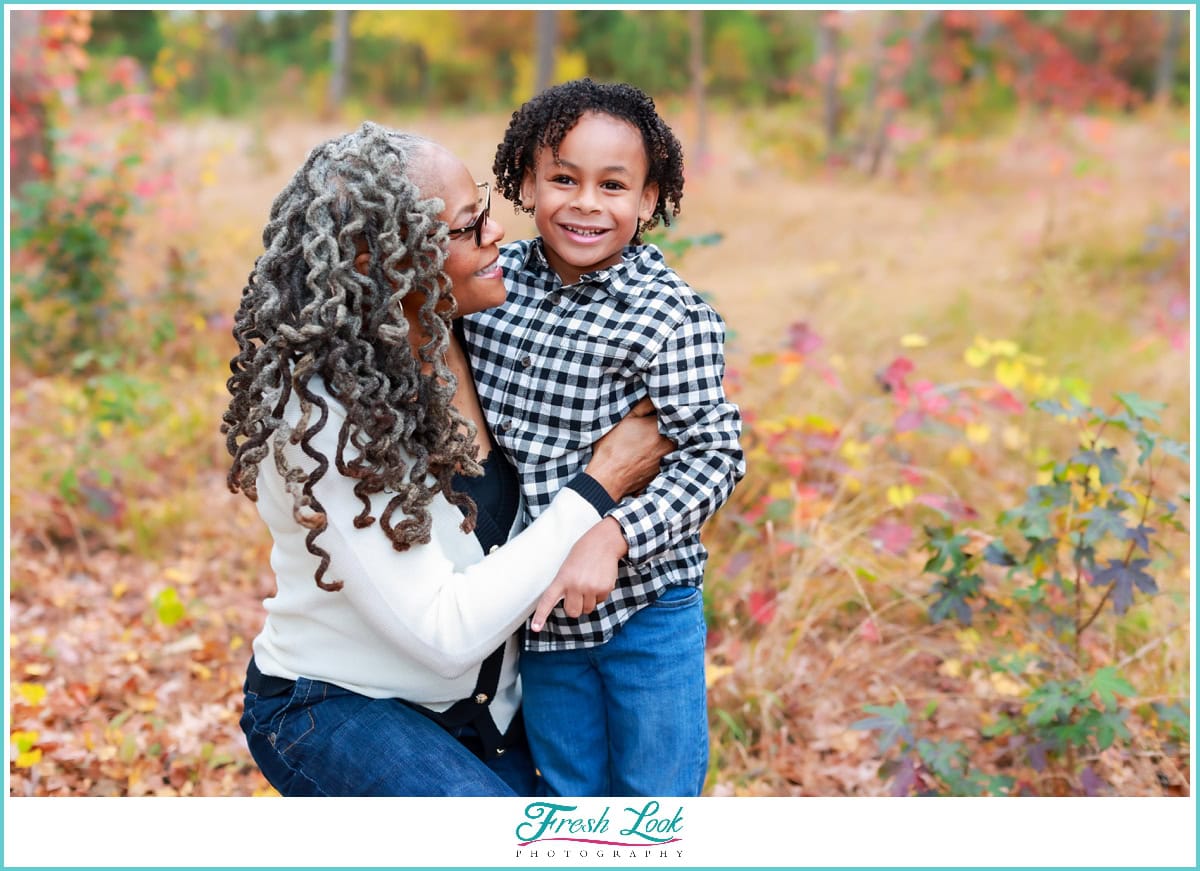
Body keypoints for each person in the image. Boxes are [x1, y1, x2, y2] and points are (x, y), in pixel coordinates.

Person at [221, 121, 673, 797]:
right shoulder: (324, 413)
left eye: (486, 212)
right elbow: (443, 634)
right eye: (468, 227)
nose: (497, 235)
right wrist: (599, 484)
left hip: (490, 711)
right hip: (338, 705)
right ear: (385, 261)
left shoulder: (487, 333)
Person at [464, 79, 746, 796]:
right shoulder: (491, 292)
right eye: (564, 178)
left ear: (649, 200)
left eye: (614, 185)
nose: (587, 203)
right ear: (527, 182)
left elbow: (714, 453)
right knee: (568, 793)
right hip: (544, 613)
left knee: (657, 802)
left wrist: (614, 533)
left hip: (646, 610)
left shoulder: (669, 319)